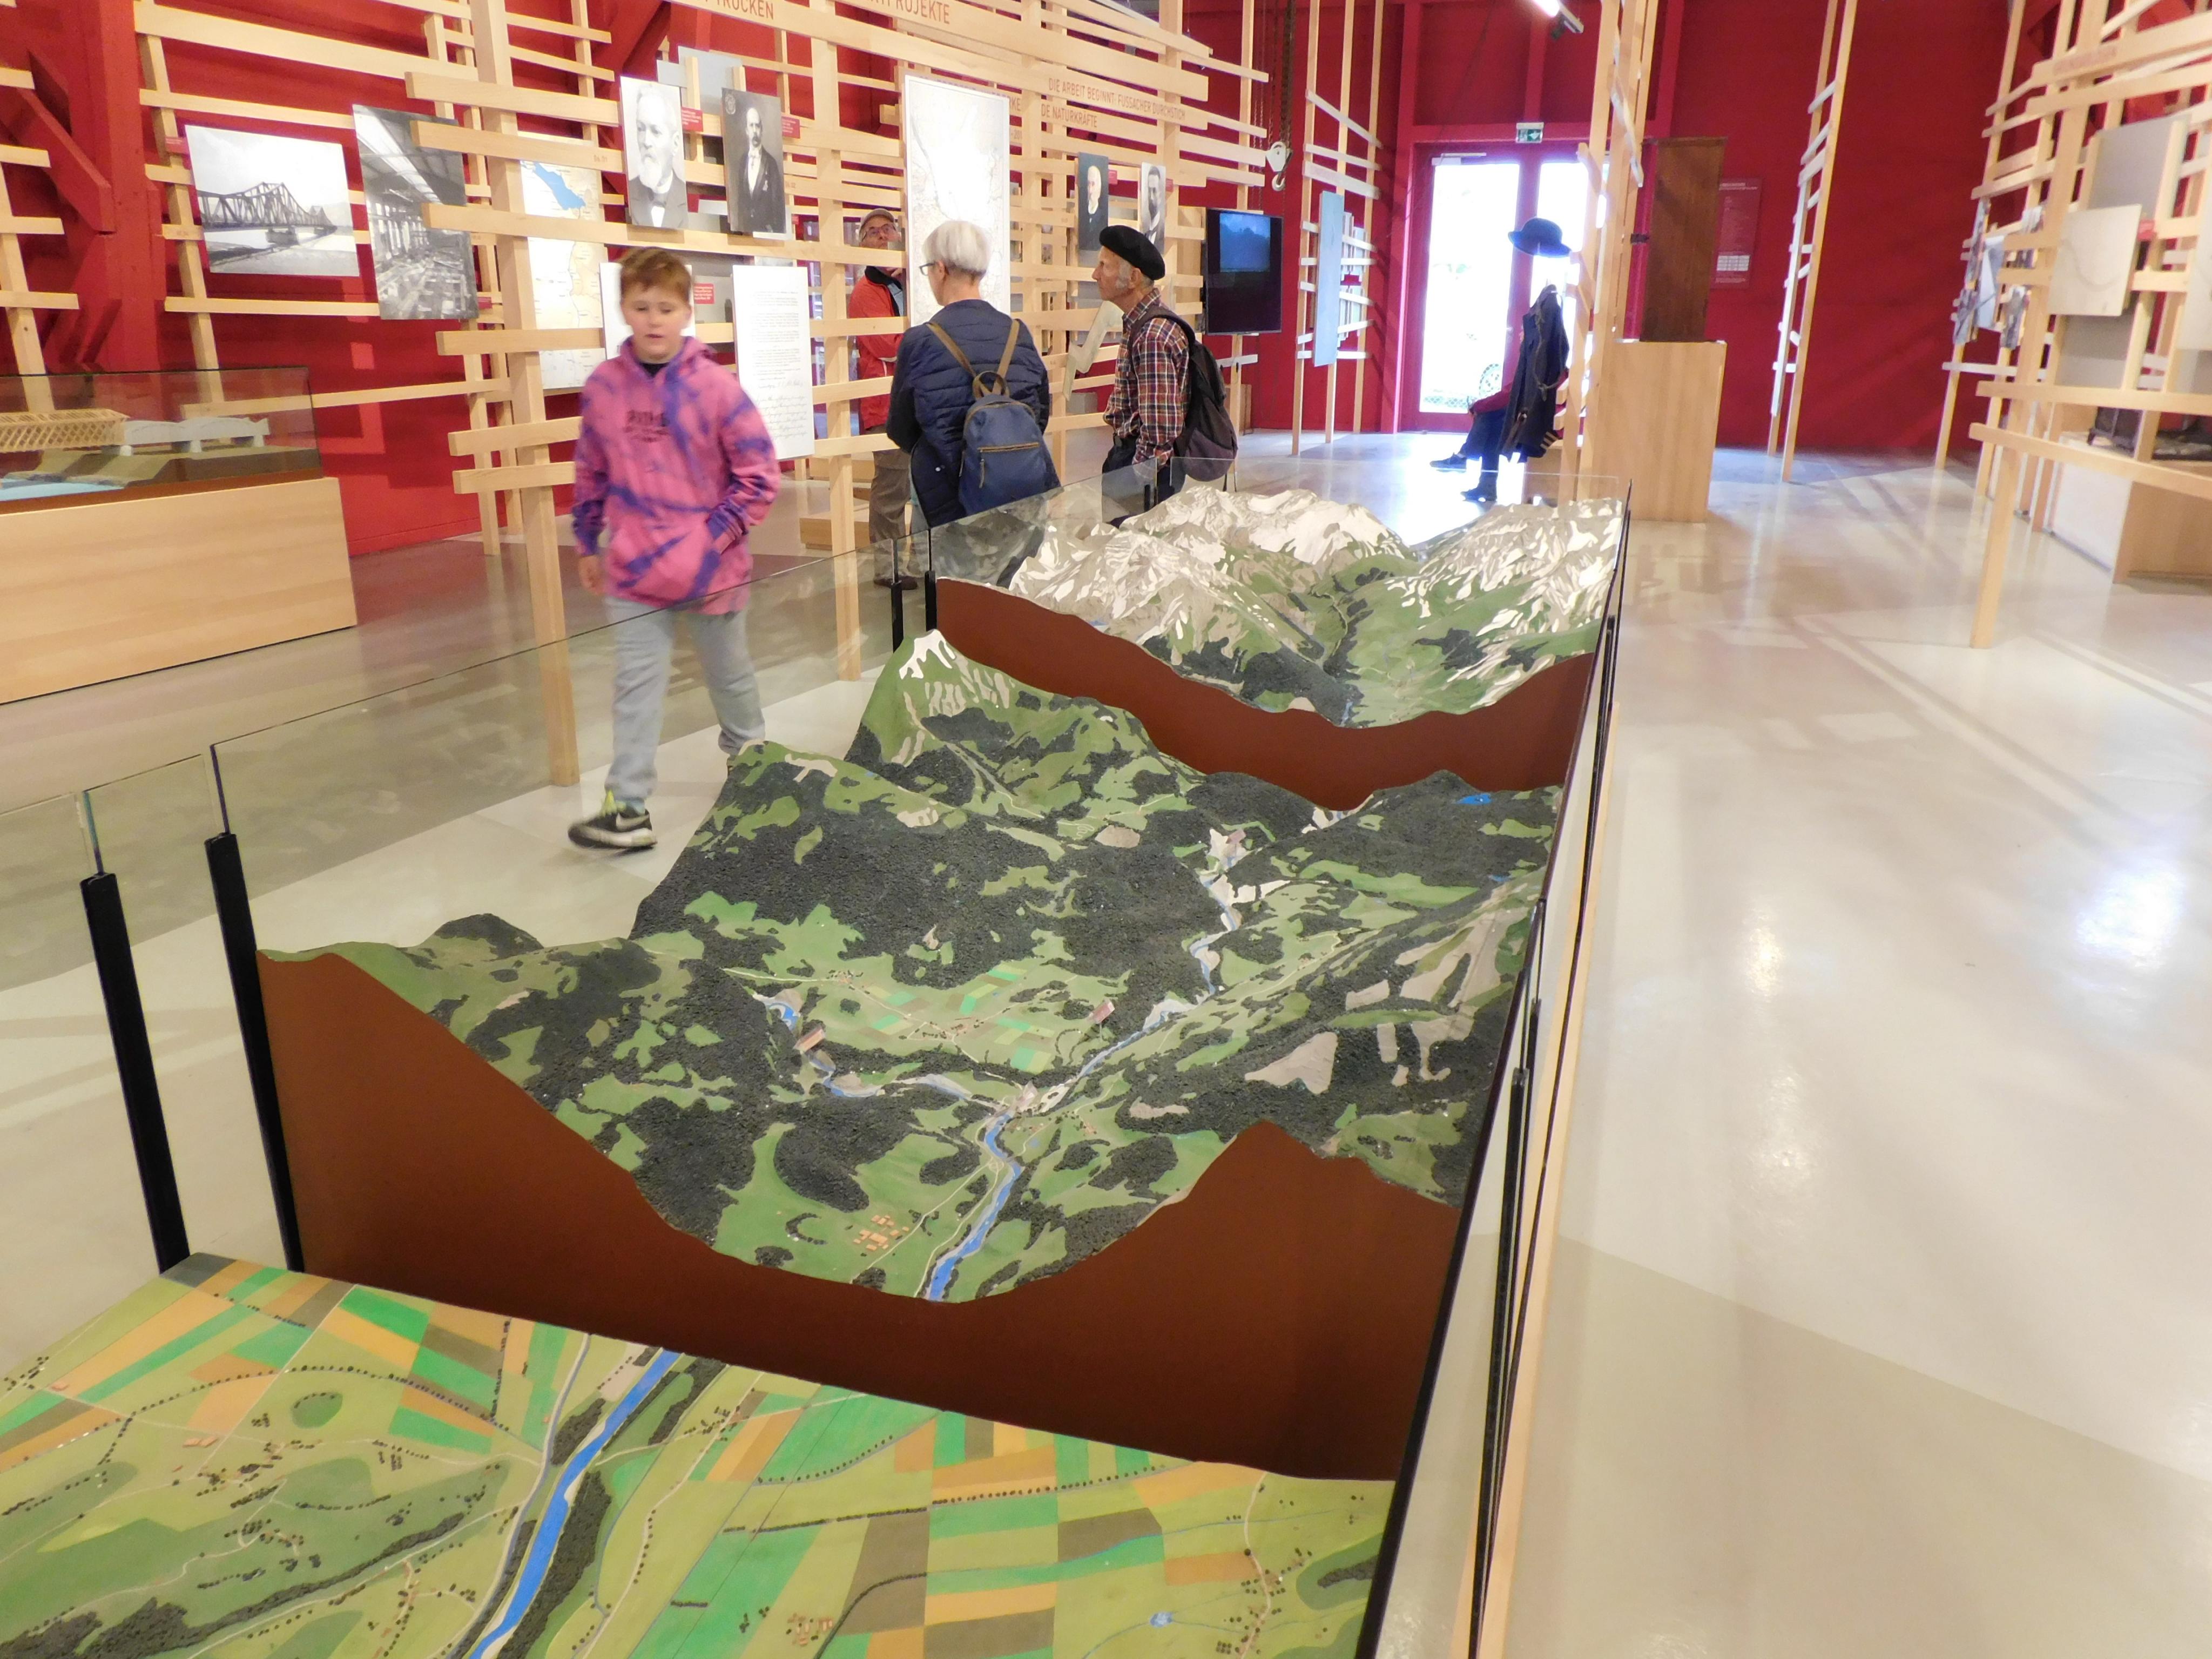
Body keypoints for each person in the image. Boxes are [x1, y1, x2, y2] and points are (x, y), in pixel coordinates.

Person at [568, 247, 781, 851]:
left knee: (729, 675)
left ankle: (755, 774)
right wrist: (587, 540)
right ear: (624, 310)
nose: (654, 319)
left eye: (666, 308)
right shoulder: (604, 388)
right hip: (633, 566)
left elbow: (759, 478)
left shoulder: (718, 389)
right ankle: (627, 807)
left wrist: (709, 542)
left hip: (712, 570)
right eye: (641, 307)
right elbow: (590, 470)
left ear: (688, 312)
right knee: (635, 686)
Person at [887, 219, 1051, 528]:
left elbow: (901, 429)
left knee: (941, 561)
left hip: (944, 499)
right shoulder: (1018, 333)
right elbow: (1039, 413)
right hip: (1017, 494)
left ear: (940, 269)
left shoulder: (921, 340)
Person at [1433, 217, 1572, 504]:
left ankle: (1468, 461)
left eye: (1524, 331)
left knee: (1490, 418)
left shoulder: (1544, 343)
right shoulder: (1544, 340)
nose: (1521, 333)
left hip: (1547, 422)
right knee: (1492, 421)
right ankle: (1477, 474)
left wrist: (1480, 405)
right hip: (1543, 410)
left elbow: (1518, 394)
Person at [1093, 222, 1188, 518]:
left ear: (1133, 278)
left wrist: (1136, 477)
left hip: (1142, 471)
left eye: (1104, 266)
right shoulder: (1145, 325)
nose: (1095, 275)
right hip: (1135, 462)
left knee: (1129, 543)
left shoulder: (1152, 335)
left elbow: (1161, 428)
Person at [848, 208, 912, 584]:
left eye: (888, 229)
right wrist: (922, 337)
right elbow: (887, 346)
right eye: (873, 232)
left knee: (916, 488)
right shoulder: (866, 292)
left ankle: (920, 564)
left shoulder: (905, 285)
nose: (883, 236)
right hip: (884, 407)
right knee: (891, 489)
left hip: (911, 401)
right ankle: (889, 569)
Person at [625, 83, 687, 230]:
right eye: (641, 129)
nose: (646, 141)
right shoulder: (628, 193)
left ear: (675, 143)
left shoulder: (686, 196)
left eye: (656, 131)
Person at [732, 98, 786, 235]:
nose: (755, 131)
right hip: (745, 233)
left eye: (757, 126)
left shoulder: (771, 163)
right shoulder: (742, 162)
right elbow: (740, 201)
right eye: (751, 126)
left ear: (762, 130)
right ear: (747, 130)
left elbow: (777, 203)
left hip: (766, 233)